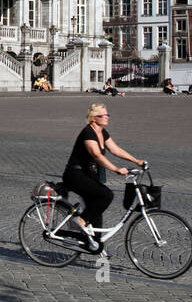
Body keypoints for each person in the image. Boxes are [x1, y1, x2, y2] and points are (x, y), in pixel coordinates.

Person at [62, 104, 144, 252]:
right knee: (106, 195)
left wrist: (136, 161)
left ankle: (95, 245)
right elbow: (96, 155)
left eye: (107, 115)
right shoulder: (88, 132)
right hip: (75, 174)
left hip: (88, 174)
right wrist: (116, 169)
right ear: (93, 118)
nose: (106, 117)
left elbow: (115, 149)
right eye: (102, 115)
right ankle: (79, 220)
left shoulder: (102, 132)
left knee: (96, 210)